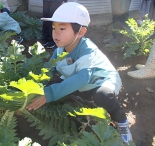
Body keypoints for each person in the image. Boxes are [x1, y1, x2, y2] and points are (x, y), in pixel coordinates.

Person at [26, 2, 133, 144]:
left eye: (62, 28)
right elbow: (49, 70)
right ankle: (85, 100)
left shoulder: (88, 50)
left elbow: (82, 78)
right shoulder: (60, 49)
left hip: (101, 80)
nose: (55, 33)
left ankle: (121, 121)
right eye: (53, 28)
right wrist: (35, 87)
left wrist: (49, 94)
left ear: (81, 32)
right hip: (82, 82)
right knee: (56, 84)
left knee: (102, 95)